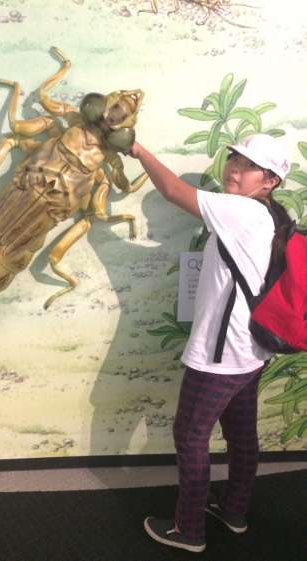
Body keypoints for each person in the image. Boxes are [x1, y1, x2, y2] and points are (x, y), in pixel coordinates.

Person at [128, 133, 292, 553]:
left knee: (190, 435)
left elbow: (172, 190)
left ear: (270, 180)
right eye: (234, 158)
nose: (235, 168)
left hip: (221, 355)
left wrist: (139, 150)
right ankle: (234, 511)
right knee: (241, 434)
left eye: (249, 166)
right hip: (250, 350)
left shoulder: (243, 211)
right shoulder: (271, 214)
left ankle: (189, 531)